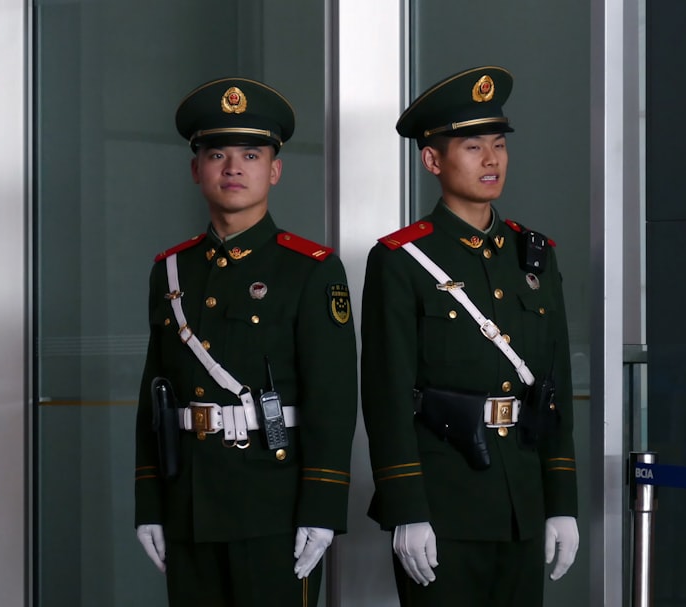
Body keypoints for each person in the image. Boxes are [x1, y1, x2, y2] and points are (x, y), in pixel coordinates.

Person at [133, 76, 357, 607]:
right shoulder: (171, 270)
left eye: (251, 154)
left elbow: (334, 398)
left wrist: (322, 508)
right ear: (197, 169)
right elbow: (154, 395)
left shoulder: (310, 270)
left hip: (275, 506)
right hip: (189, 502)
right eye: (217, 154)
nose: (233, 167)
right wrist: (149, 501)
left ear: (274, 171)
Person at [360, 65, 579, 606]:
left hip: (521, 502)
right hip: (443, 503)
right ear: (433, 160)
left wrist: (561, 500)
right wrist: (407, 507)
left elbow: (554, 384)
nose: (491, 159)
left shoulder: (536, 256)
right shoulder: (402, 260)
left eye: (499, 144)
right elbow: (387, 394)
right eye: (472, 145)